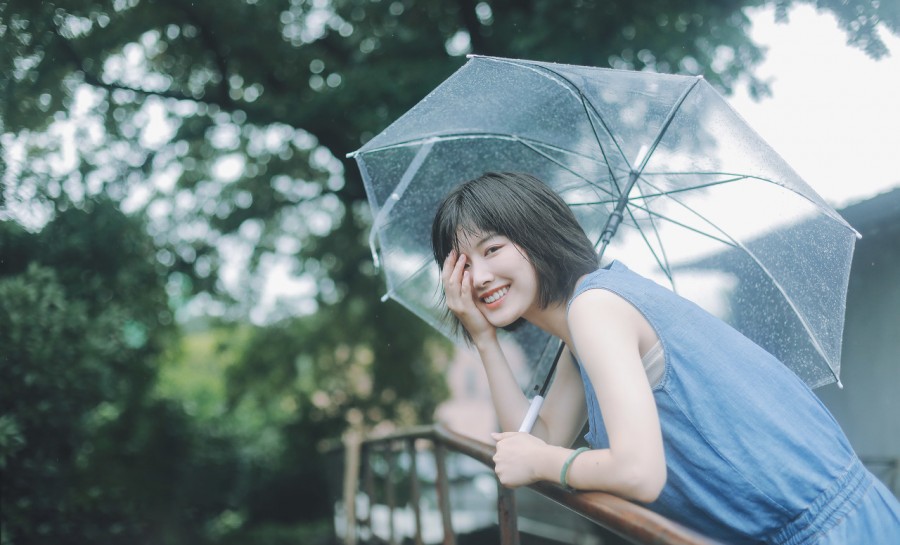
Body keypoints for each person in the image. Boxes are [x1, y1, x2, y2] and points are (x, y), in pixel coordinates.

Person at [431, 172, 900, 544]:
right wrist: (483, 338)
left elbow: (637, 472)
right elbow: (535, 438)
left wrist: (547, 463)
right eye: (463, 264)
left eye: (492, 249)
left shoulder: (596, 308)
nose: (480, 277)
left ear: (536, 236)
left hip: (833, 533)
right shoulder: (583, 328)